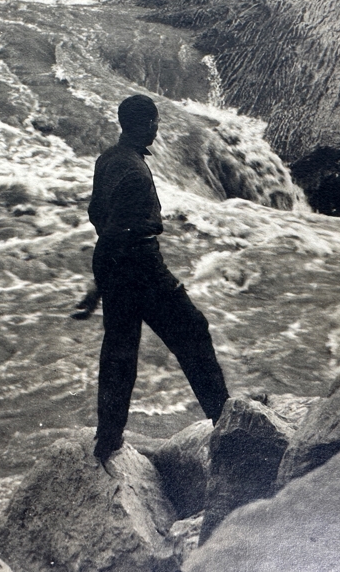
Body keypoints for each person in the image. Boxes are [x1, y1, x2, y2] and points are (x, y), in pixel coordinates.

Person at [88, 94, 230, 464]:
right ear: (148, 124)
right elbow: (127, 232)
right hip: (140, 263)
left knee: (119, 352)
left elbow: (98, 216)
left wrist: (98, 284)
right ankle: (224, 420)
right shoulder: (135, 171)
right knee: (193, 330)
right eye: (154, 122)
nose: (155, 128)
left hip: (111, 262)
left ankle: (108, 438)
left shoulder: (109, 160)